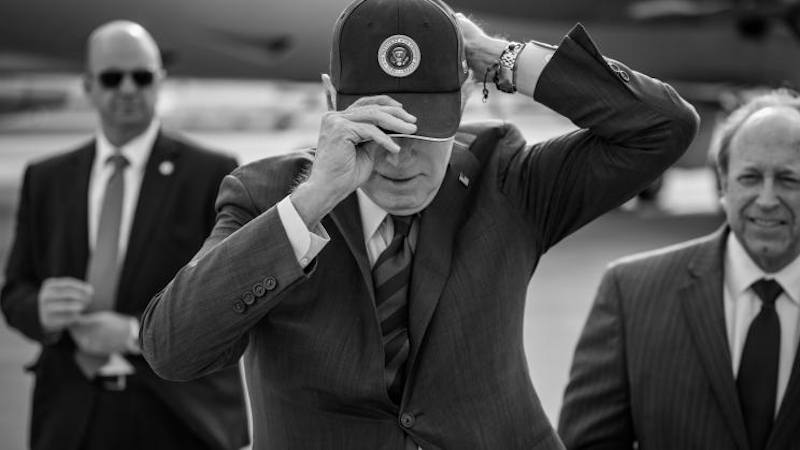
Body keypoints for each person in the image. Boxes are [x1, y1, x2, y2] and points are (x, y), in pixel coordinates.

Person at [140, 0, 698, 447]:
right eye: (377, 130)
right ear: (332, 103)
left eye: (424, 129)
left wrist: (497, 56)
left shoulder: (501, 178)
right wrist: (311, 201)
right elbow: (173, 350)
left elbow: (661, 127)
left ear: (461, 100)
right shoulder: (266, 194)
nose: (399, 158)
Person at [0, 20, 249, 450]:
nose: (129, 88)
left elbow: (229, 303)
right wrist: (38, 309)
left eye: (143, 76)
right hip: (70, 415)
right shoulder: (46, 178)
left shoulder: (212, 172)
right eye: (113, 77)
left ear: (160, 82)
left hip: (178, 415)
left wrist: (136, 333)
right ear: (88, 86)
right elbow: (14, 292)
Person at [559, 90, 800, 449]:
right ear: (723, 185)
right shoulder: (631, 294)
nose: (766, 200)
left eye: (789, 180)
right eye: (750, 178)